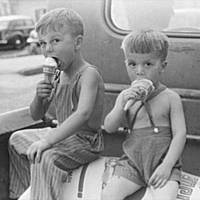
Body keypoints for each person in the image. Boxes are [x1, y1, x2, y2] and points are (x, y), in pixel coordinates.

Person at [9, 8, 105, 200]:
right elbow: (36, 114)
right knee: (16, 139)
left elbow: (83, 114)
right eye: (42, 43)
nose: (48, 49)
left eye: (56, 41)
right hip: (61, 134)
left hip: (85, 142)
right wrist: (39, 97)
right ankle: (25, 193)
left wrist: (47, 141)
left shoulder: (88, 75)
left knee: (46, 157)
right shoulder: (58, 75)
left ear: (77, 43)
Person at [102, 29, 186, 200]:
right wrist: (121, 104)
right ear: (125, 63)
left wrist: (167, 166)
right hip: (133, 164)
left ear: (162, 66)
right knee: (108, 195)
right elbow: (109, 127)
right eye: (132, 64)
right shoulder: (125, 96)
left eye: (148, 64)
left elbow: (180, 134)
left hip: (162, 163)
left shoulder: (170, 98)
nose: (139, 71)